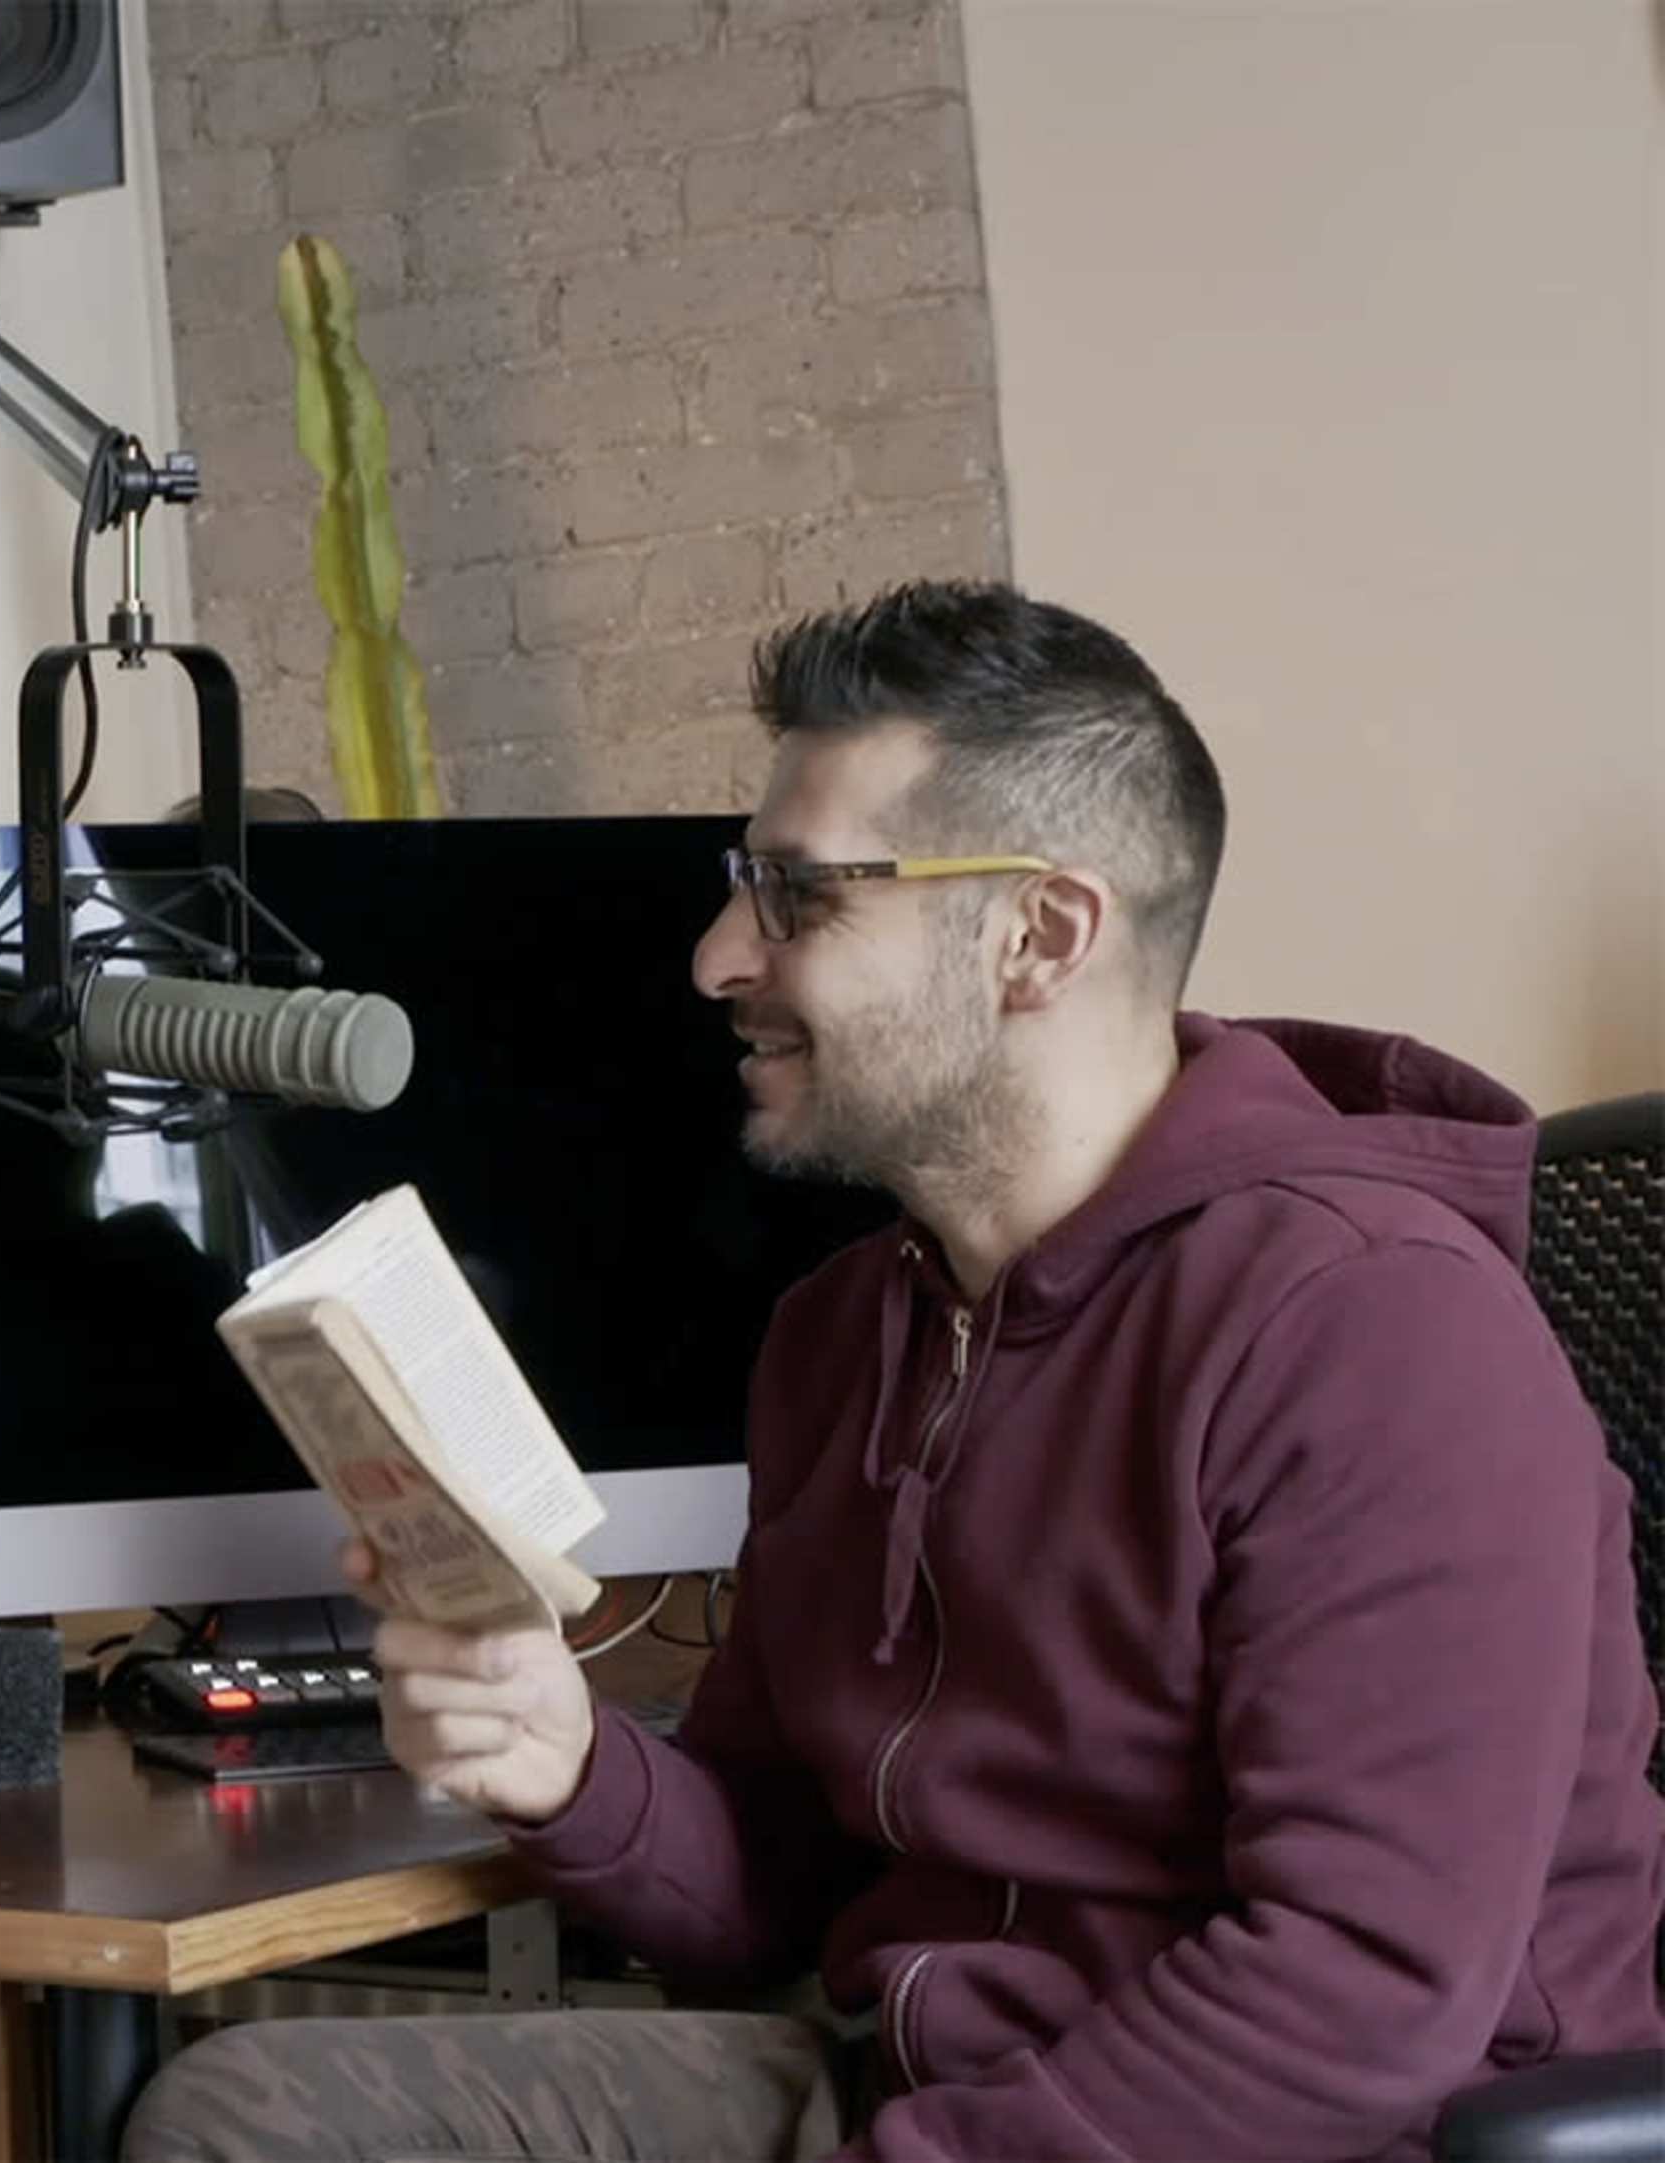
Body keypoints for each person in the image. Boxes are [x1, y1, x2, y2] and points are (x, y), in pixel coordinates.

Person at [125, 582, 1663, 2159]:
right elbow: (773, 1890)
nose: (722, 954)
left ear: (1038, 935)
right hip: (915, 2099)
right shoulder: (844, 1334)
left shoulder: (1373, 1327)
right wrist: (569, 1761)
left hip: (1306, 2139)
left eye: (800, 896)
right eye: (742, 889)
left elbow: (1360, 1993)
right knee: (242, 2117)